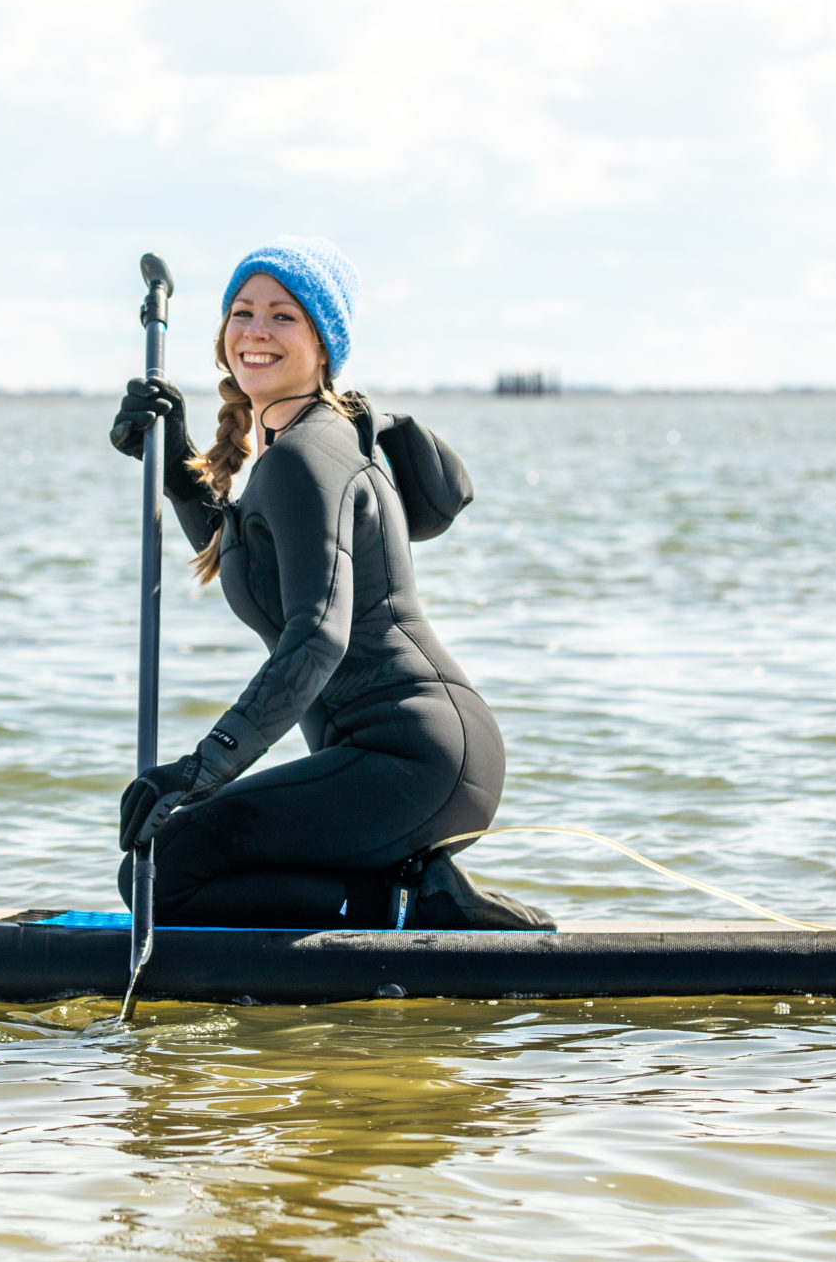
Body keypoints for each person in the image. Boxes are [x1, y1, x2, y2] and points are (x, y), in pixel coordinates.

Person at [107, 238, 547, 930]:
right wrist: (173, 465)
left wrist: (201, 768)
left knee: (159, 870)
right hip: (405, 761)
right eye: (243, 312)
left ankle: (409, 903)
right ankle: (414, 888)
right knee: (173, 866)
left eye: (284, 316)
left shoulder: (307, 454)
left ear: (323, 345)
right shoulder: (295, 451)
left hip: (407, 758)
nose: (256, 331)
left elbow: (317, 636)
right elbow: (251, 560)